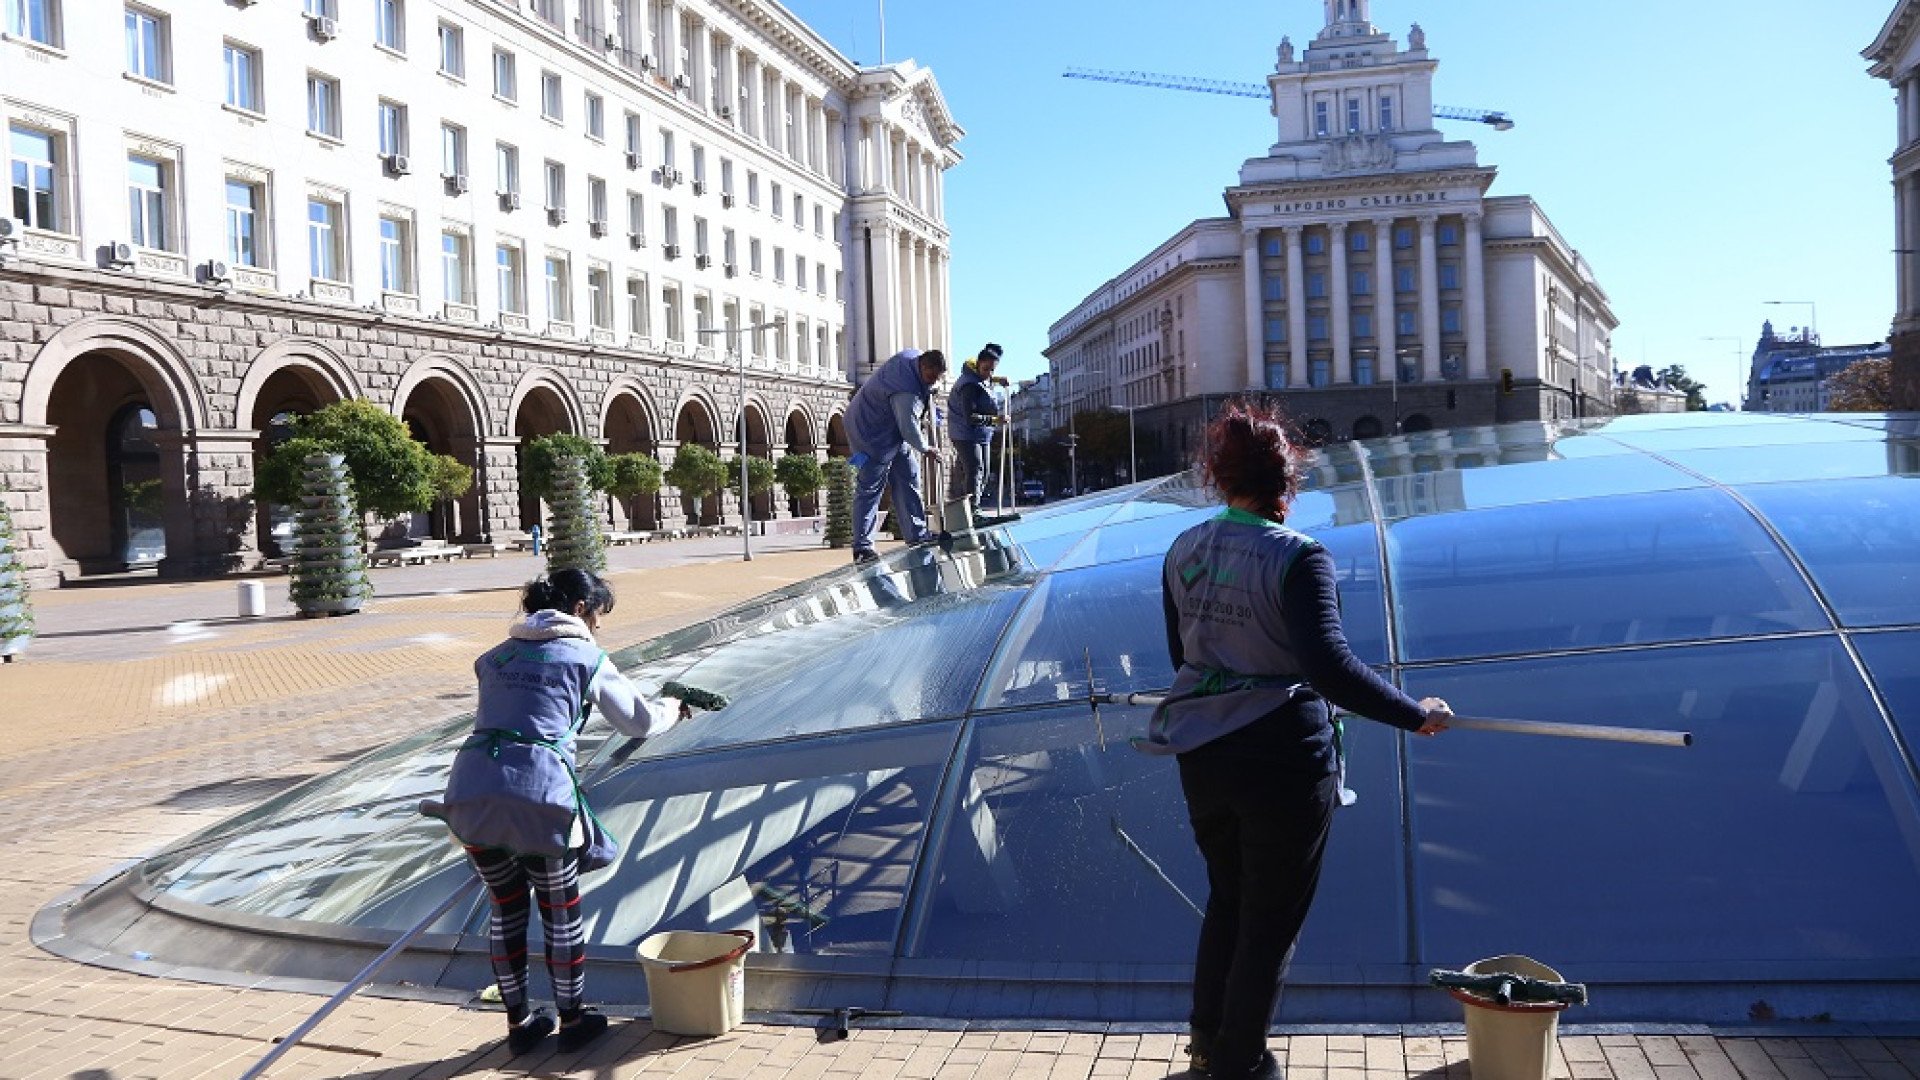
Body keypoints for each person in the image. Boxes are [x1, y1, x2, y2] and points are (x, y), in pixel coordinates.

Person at [1139, 403, 1453, 1080]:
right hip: (1282, 757)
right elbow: (1329, 667)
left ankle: (1207, 1045)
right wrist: (1415, 713)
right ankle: (1241, 1063)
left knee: (1228, 899)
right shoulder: (1299, 558)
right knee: (1270, 922)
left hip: (1201, 751)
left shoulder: (1183, 548)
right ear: (1289, 483)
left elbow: (1180, 653)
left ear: (1217, 478)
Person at [435, 569, 687, 1057]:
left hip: (470, 794)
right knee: (560, 916)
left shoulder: (495, 657)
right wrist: (673, 708)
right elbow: (637, 720)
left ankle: (520, 1024)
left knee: (505, 911)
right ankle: (572, 1019)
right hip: (539, 799)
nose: (599, 627)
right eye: (598, 615)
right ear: (579, 610)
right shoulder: (585, 657)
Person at [846, 347, 948, 563]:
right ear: (922, 366)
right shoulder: (906, 389)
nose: (932, 382)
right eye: (930, 376)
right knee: (870, 486)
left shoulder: (912, 357)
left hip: (890, 429)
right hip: (869, 430)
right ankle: (862, 547)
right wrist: (926, 448)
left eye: (937, 378)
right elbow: (908, 426)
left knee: (909, 476)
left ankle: (917, 535)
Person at [945, 343, 1008, 511]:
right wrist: (995, 420)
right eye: (986, 368)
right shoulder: (969, 386)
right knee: (975, 469)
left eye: (993, 370)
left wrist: (996, 379)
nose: (989, 373)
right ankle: (972, 509)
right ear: (978, 363)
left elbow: (982, 378)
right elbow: (970, 417)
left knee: (985, 471)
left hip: (981, 434)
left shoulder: (980, 378)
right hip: (965, 433)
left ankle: (974, 505)